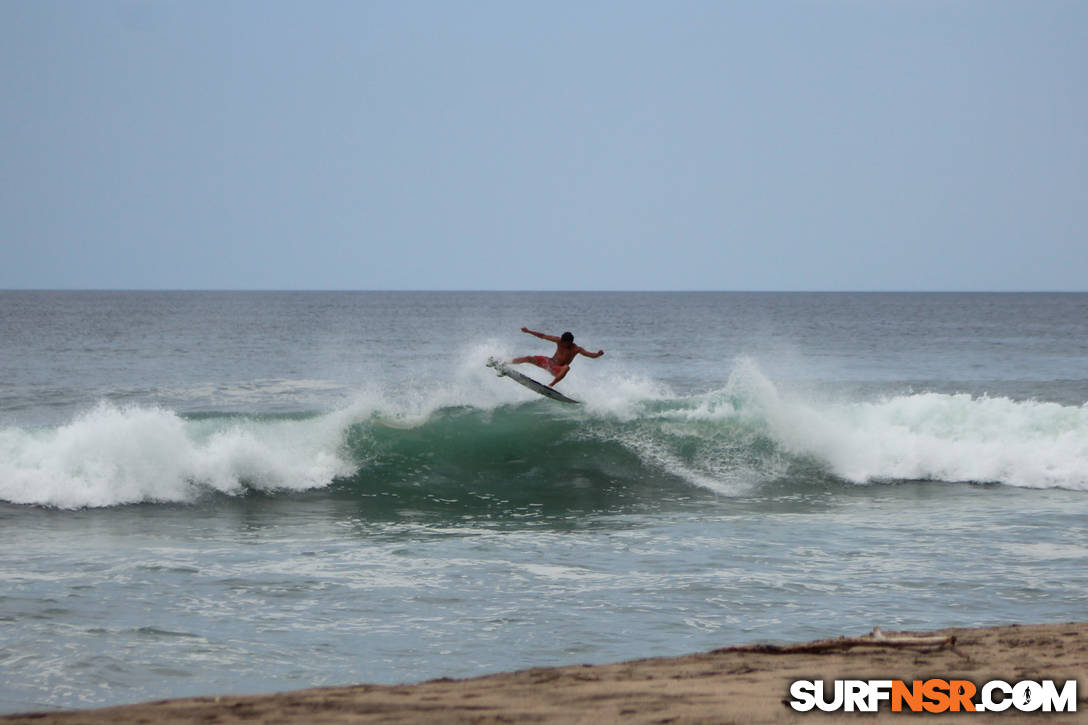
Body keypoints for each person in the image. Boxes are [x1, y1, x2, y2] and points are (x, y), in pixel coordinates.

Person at [513, 327, 604, 387]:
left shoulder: (576, 349)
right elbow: (543, 336)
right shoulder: (558, 341)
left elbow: (590, 355)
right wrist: (528, 331)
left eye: (566, 343)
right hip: (549, 362)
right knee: (529, 358)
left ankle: (551, 385)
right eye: (562, 342)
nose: (563, 344)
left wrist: (598, 354)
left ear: (570, 342)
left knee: (566, 367)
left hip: (557, 369)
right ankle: (506, 362)